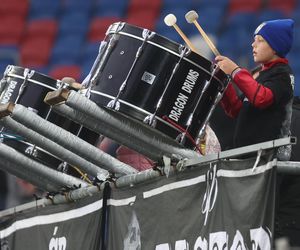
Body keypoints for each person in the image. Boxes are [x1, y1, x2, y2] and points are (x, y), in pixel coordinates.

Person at [215, 19, 294, 160]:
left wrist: (235, 71)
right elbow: (236, 110)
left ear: (275, 46)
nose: (253, 44)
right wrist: (223, 81)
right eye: (254, 40)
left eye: (260, 40)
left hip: (267, 159)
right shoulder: (258, 73)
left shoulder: (283, 75)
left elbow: (261, 98)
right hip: (247, 156)